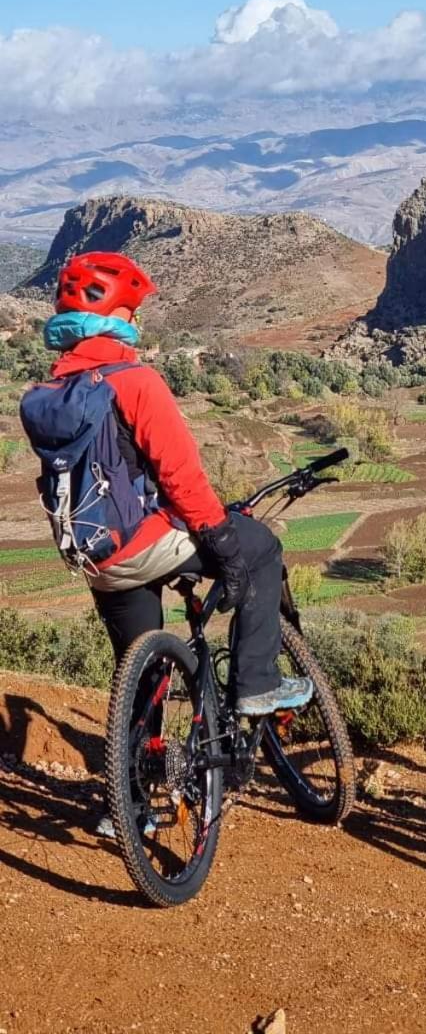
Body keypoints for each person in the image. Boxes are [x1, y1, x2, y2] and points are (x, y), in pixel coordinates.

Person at [22, 251, 312, 829]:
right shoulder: (135, 382)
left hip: (96, 558)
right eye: (133, 310)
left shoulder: (47, 394)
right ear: (119, 315)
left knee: (141, 667)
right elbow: (181, 476)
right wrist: (223, 544)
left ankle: (126, 808)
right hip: (145, 542)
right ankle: (256, 685)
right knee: (260, 548)